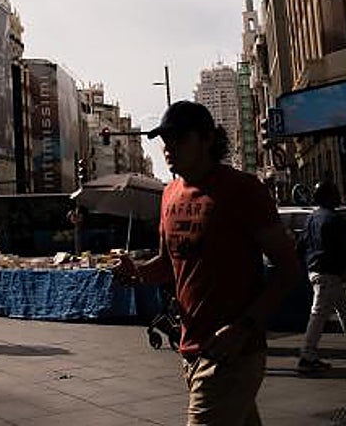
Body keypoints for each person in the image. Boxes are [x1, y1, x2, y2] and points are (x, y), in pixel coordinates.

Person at [113, 101, 300, 426]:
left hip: (232, 354)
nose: (169, 148)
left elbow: (289, 269)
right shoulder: (169, 194)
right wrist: (137, 273)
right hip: (191, 349)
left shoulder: (243, 190)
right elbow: (168, 264)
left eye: (179, 139)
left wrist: (244, 327)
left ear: (208, 139)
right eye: (165, 141)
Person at [297, 180, 346, 371]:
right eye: (335, 193)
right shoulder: (334, 219)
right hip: (328, 274)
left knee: (344, 311)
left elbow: (301, 245)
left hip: (317, 272)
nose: (338, 196)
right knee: (319, 314)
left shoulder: (311, 218)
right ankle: (307, 355)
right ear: (328, 197)